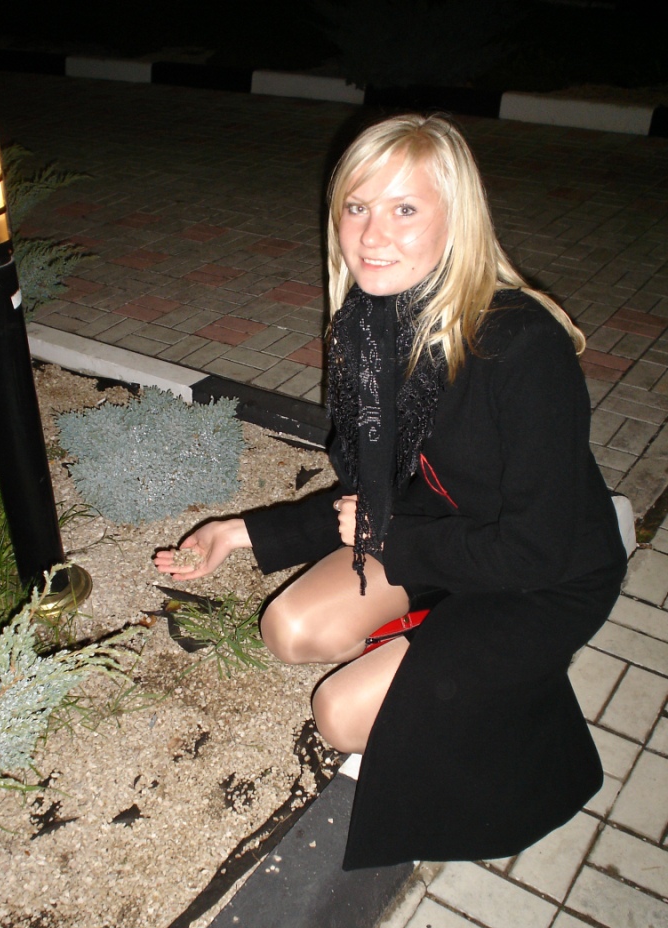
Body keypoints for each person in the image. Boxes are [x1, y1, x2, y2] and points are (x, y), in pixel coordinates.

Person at [154, 114, 626, 870]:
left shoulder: (521, 346)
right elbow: (374, 495)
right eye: (357, 207)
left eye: (404, 208)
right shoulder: (367, 328)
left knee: (339, 713)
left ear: (455, 219)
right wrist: (242, 533)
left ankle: (515, 688)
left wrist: (391, 543)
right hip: (438, 540)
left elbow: (536, 548)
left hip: (545, 574)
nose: (372, 235)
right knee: (290, 630)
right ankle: (442, 632)